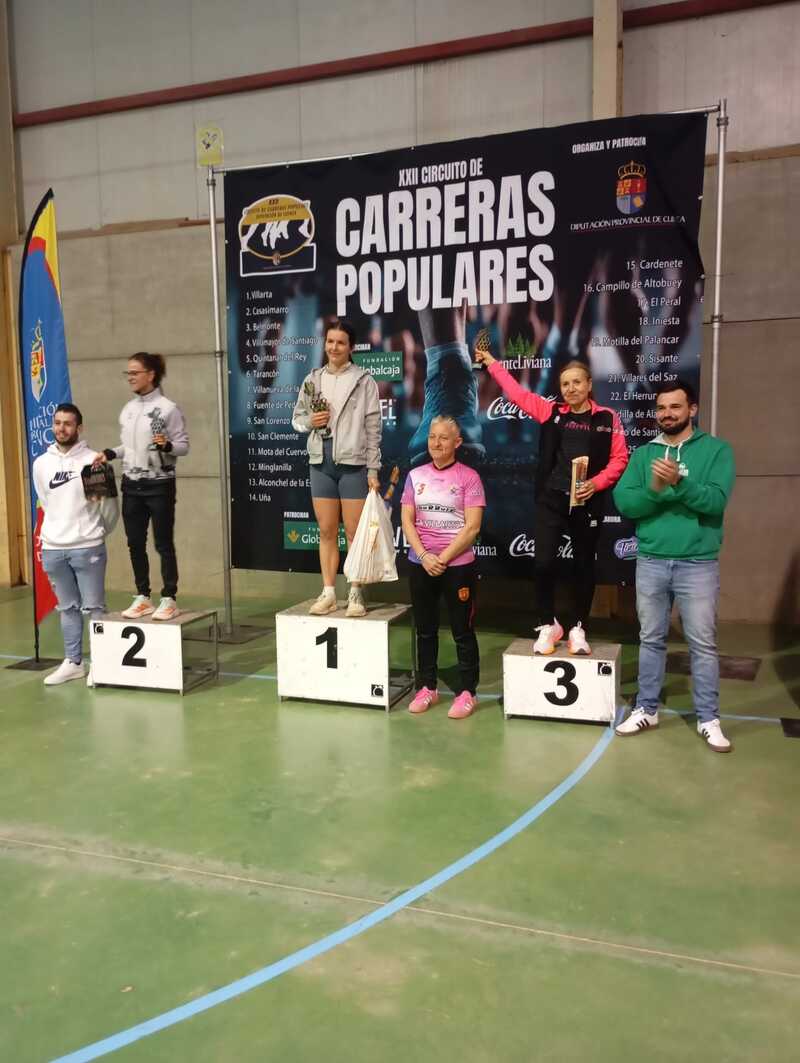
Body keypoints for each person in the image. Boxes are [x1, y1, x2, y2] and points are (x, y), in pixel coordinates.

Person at [474, 345, 628, 655]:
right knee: (543, 563)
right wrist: (491, 363)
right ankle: (548, 625)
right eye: (565, 384)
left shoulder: (607, 417)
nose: (571, 388)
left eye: (577, 382)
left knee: (583, 567)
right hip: (551, 500)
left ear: (589, 384)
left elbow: (620, 458)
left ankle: (578, 629)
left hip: (587, 502)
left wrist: (595, 484)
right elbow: (517, 394)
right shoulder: (551, 412)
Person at [613, 380, 736, 752]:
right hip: (651, 560)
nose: (667, 414)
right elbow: (626, 504)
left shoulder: (716, 451)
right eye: (661, 408)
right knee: (651, 639)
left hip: (698, 564)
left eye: (675, 407)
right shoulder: (644, 455)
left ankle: (708, 719)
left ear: (692, 409)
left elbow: (714, 502)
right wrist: (656, 490)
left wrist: (678, 483)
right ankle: (647, 709)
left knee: (702, 644)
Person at [292, 319, 382, 617]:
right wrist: (310, 422)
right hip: (321, 462)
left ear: (351, 347)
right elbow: (297, 420)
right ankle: (329, 592)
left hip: (353, 464)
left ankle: (356, 592)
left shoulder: (364, 381)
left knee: (354, 533)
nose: (334, 347)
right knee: (327, 530)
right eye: (330, 341)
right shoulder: (312, 379)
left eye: (341, 342)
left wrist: (373, 470)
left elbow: (373, 429)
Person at [401, 415, 485, 719]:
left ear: (457, 442)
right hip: (421, 564)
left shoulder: (469, 477)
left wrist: (443, 557)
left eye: (444, 438)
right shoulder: (415, 475)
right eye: (432, 437)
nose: (436, 443)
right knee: (425, 631)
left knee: (463, 631)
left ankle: (467, 692)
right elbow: (407, 520)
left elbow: (472, 527)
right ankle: (427, 687)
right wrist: (424, 555)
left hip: (457, 566)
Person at [96, 352, 189, 622]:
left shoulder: (168, 408)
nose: (130, 377)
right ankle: (143, 596)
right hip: (131, 485)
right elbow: (130, 447)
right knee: (135, 543)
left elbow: (183, 446)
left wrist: (167, 446)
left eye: (135, 372)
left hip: (159, 485)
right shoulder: (128, 410)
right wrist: (110, 453)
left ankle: (169, 598)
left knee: (163, 543)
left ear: (151, 374)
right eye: (128, 373)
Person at [33, 404, 118, 686]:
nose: (61, 428)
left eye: (68, 424)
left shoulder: (93, 462)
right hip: (53, 549)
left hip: (87, 546)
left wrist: (95, 532)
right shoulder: (41, 464)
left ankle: (101, 664)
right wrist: (55, 532)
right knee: (67, 608)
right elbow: (46, 501)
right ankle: (73, 663)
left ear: (79, 428)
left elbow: (109, 509)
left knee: (94, 608)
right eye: (57, 423)